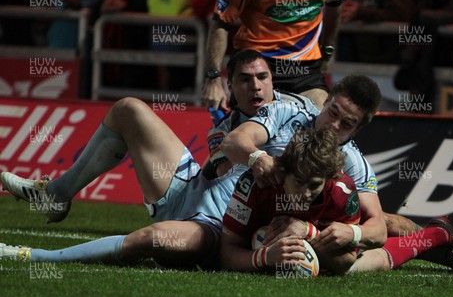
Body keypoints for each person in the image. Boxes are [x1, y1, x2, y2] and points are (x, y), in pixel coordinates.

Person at [0, 49, 293, 269]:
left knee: (150, 239)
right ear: (231, 88)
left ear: (272, 82)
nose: (255, 85)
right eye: (245, 79)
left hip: (213, 226)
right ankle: (57, 194)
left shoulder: (293, 118)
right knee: (129, 109)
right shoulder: (224, 127)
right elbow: (220, 164)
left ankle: (34, 256)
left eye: (262, 77)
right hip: (188, 190)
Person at [221, 74, 453, 275]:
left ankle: (438, 239)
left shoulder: (354, 164)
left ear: (359, 129)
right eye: (333, 113)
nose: (333, 126)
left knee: (368, 234)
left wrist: (351, 231)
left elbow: (377, 230)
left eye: (347, 124)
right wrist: (258, 157)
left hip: (311, 219)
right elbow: (232, 141)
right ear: (325, 100)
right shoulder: (286, 112)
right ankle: (438, 236)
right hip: (253, 203)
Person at [220, 127, 361, 275]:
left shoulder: (342, 190)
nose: (305, 194)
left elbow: (346, 262)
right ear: (283, 171)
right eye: (298, 182)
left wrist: (309, 232)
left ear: (328, 178)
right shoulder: (255, 183)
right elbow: (226, 254)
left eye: (314, 185)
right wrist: (265, 257)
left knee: (375, 255)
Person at [200, 0, 345, 110]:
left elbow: (335, 3)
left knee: (323, 123)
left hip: (303, 68)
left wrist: (327, 50)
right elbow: (221, 21)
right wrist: (213, 78)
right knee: (251, 132)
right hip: (256, 63)